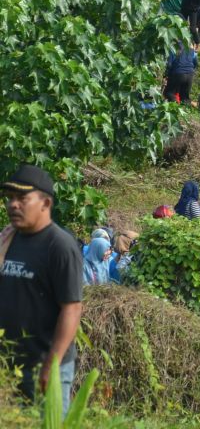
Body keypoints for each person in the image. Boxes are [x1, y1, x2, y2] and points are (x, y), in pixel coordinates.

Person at [0, 165, 83, 414]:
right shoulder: (8, 240)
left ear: (45, 203)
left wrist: (52, 365)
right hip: (10, 367)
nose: (13, 205)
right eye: (10, 198)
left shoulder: (59, 246)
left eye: (22, 198)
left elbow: (72, 308)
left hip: (45, 366)